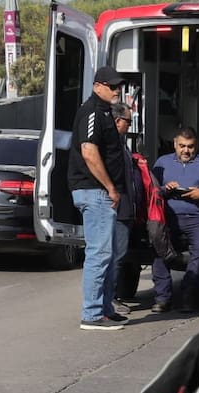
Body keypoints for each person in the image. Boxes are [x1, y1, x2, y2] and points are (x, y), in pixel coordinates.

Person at [69, 65, 130, 331]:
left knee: (109, 253)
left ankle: (105, 308)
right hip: (95, 191)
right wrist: (110, 187)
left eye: (119, 86)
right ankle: (92, 314)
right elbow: (89, 151)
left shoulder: (105, 111)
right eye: (112, 86)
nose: (117, 90)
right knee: (100, 253)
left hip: (100, 192)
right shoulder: (92, 111)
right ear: (97, 86)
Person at [150, 126, 199, 313]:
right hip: (170, 216)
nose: (186, 150)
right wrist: (165, 189)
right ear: (175, 144)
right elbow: (153, 191)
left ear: (196, 146)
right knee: (159, 252)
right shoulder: (163, 162)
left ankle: (188, 295)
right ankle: (162, 298)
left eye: (190, 146)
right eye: (182, 146)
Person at [111, 102, 145, 311]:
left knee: (120, 254)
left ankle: (110, 297)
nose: (129, 125)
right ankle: (110, 298)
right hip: (119, 209)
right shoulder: (111, 146)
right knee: (116, 255)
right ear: (117, 121)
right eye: (128, 121)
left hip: (127, 209)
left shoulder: (121, 144)